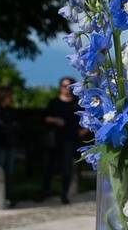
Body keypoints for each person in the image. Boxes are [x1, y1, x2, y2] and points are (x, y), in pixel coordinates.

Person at [42, 76, 80, 204]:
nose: (66, 89)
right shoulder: (54, 102)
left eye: (69, 86)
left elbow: (86, 119)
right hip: (55, 140)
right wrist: (55, 120)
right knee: (50, 166)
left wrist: (84, 131)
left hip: (71, 139)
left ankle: (64, 194)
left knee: (67, 168)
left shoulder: (77, 103)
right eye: (64, 86)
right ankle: (46, 191)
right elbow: (45, 118)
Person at [0, 86, 19, 208]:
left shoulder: (11, 111)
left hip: (10, 144)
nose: (11, 98)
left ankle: (8, 196)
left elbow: (15, 125)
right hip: (0, 144)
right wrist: (10, 127)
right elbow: (0, 127)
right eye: (9, 96)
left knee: (10, 172)